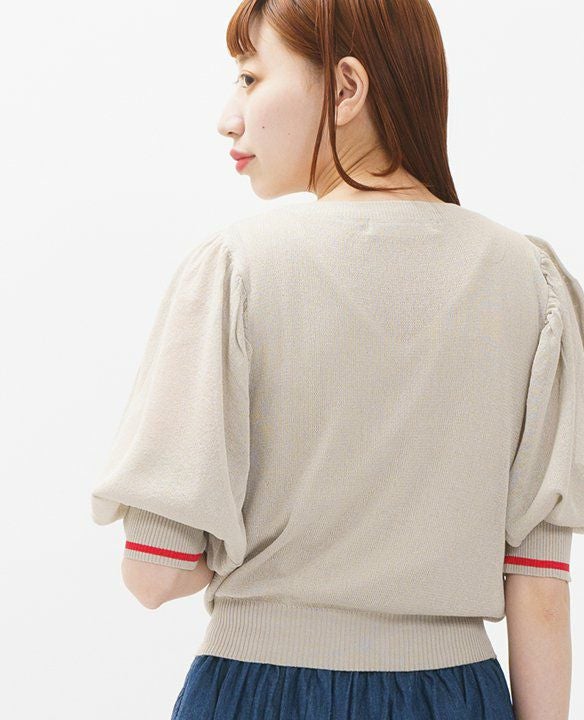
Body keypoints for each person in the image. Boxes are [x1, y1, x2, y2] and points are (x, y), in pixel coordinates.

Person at [90, 1, 583, 718]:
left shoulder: (235, 269)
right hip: (456, 694)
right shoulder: (532, 284)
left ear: (347, 88)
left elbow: (154, 572)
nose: (228, 117)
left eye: (251, 77)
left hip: (261, 690)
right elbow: (540, 588)